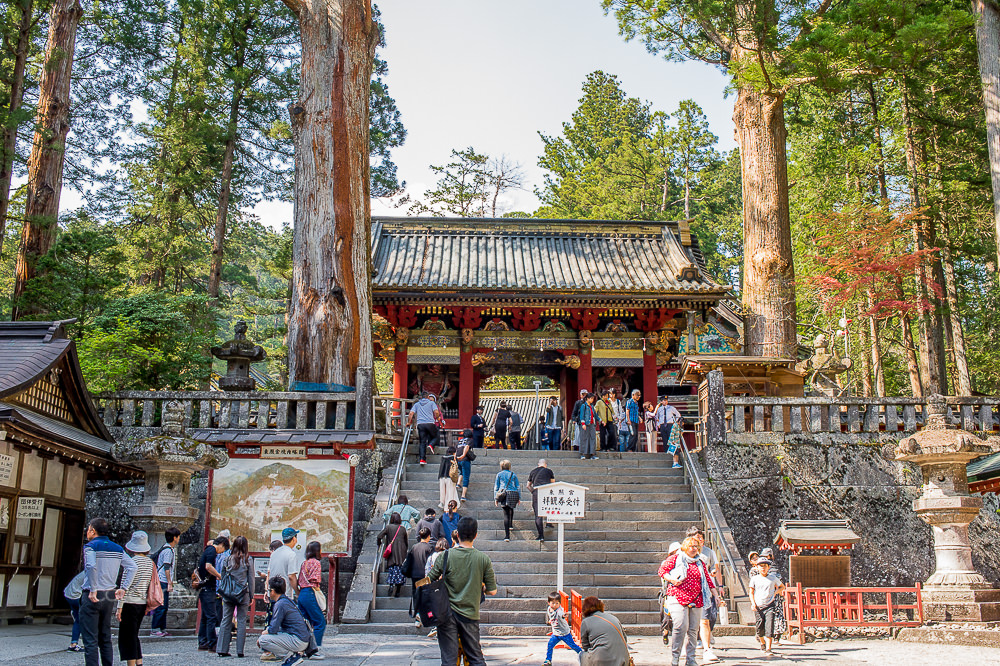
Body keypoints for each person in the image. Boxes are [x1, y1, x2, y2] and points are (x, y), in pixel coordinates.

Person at [427, 517, 498, 666]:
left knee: (449, 660)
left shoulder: (446, 556)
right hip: (470, 614)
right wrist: (480, 585)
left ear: (457, 534)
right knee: (476, 658)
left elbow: (429, 580)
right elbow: (492, 591)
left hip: (446, 615)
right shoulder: (483, 559)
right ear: (476, 535)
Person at [81, 517, 137, 666]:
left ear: (93, 530)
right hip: (109, 593)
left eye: (88, 529)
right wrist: (123, 588)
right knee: (105, 636)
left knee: (90, 638)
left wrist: (93, 589)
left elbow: (91, 566)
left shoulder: (90, 546)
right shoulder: (117, 548)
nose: (87, 532)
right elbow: (132, 567)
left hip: (93, 593)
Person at [659, 537, 718, 666]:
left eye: (696, 546)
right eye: (691, 546)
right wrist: (673, 580)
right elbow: (662, 571)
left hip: (697, 598)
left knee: (693, 630)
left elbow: (707, 579)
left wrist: (716, 594)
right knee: (681, 627)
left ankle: (691, 659)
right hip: (678, 596)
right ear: (685, 547)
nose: (694, 549)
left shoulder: (700, 562)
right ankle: (675, 657)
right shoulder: (675, 558)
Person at [116, 531, 155, 666]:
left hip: (129, 601)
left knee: (127, 635)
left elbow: (125, 585)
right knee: (134, 633)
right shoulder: (150, 563)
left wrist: (119, 607)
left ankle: (131, 663)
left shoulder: (131, 562)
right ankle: (139, 661)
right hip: (142, 601)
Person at [258, 577, 312, 666]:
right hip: (301, 637)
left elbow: (274, 628)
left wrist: (265, 632)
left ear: (272, 591)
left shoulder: (280, 604)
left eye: (268, 590)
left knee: (263, 640)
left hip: (297, 639)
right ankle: (293, 655)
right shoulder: (287, 601)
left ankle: (291, 656)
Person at [687, 526, 721, 660]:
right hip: (689, 591)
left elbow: (711, 571)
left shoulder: (708, 553)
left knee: (706, 620)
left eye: (701, 538)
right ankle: (689, 646)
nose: (699, 541)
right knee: (688, 622)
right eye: (696, 538)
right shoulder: (683, 554)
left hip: (705, 590)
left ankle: (707, 649)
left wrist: (717, 590)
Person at [218, 535, 254, 658]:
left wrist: (222, 591)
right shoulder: (248, 560)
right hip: (243, 593)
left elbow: (223, 577)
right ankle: (240, 650)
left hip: (228, 593)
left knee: (226, 620)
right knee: (242, 620)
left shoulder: (227, 559)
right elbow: (251, 579)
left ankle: (222, 648)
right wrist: (252, 595)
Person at [579, 596, 630, 666]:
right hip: (623, 660)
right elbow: (625, 639)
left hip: (601, 660)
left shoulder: (585, 622)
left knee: (581, 655)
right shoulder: (613, 618)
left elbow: (585, 646)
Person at [296, 541, 326, 655]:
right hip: (310, 592)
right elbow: (315, 579)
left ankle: (302, 648)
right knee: (319, 622)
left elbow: (299, 578)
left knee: (305, 623)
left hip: (302, 593)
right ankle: (315, 648)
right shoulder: (316, 563)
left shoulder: (304, 563)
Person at [197, 535, 227, 650]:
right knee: (212, 617)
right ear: (221, 545)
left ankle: (203, 641)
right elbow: (208, 566)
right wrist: (219, 575)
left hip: (205, 588)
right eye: (223, 549)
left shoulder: (208, 550)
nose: (221, 552)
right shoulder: (212, 551)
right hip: (208, 588)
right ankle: (212, 643)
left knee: (205, 617)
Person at [750, 557, 785, 654]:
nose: (763, 568)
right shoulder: (754, 579)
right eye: (761, 566)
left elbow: (782, 586)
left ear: (768, 567)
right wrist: (753, 603)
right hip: (758, 605)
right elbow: (751, 592)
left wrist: (775, 592)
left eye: (765, 566)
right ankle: (762, 643)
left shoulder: (773, 578)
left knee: (769, 626)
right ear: (757, 567)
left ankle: (769, 648)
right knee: (759, 628)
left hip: (770, 605)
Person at [150, 526, 181, 637]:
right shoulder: (168, 551)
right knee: (161, 606)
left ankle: (161, 628)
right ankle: (155, 628)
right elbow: (166, 567)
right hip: (163, 580)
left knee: (164, 606)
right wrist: (169, 582)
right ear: (175, 537)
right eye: (178, 536)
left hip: (161, 580)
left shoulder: (165, 548)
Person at [542, 591, 582, 666]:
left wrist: (564, 615)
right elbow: (551, 616)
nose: (555, 605)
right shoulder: (549, 609)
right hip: (556, 634)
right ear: (548, 603)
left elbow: (562, 615)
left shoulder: (560, 611)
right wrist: (551, 620)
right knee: (550, 645)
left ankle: (583, 654)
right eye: (553, 603)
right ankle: (548, 660)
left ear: (560, 603)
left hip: (565, 634)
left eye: (557, 603)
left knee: (573, 646)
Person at [406, 528, 435, 623]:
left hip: (415, 574)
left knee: (416, 595)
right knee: (427, 596)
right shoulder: (430, 547)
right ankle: (427, 616)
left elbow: (409, 560)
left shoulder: (414, 547)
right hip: (426, 575)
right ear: (428, 536)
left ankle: (417, 615)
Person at [378, 513, 410, 598]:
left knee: (392, 569)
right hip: (401, 552)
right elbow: (406, 542)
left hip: (392, 552)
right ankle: (398, 590)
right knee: (400, 570)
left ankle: (391, 585)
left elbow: (379, 535)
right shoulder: (402, 529)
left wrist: (379, 543)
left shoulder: (388, 527)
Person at [658, 541, 682, 645]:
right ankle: (665, 632)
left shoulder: (683, 562)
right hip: (668, 593)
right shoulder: (666, 563)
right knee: (666, 617)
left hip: (680, 592)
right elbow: (663, 574)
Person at [409, 392, 441, 465]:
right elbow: (436, 412)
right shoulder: (432, 403)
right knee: (436, 435)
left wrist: (409, 422)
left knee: (422, 442)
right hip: (430, 423)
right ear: (428, 397)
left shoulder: (417, 404)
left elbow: (411, 413)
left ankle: (422, 459)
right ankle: (431, 445)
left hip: (420, 424)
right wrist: (437, 417)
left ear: (421, 397)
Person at [527, 458, 555, 542]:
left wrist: (533, 491)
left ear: (538, 464)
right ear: (545, 465)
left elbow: (528, 485)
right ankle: (549, 523)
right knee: (550, 507)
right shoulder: (549, 471)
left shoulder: (533, 471)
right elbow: (553, 483)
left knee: (538, 515)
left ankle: (541, 535)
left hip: (536, 492)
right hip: (547, 492)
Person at [493, 459, 520, 542]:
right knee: (511, 508)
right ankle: (511, 524)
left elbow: (496, 487)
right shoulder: (513, 474)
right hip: (513, 493)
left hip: (503, 494)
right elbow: (518, 486)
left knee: (505, 514)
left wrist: (496, 498)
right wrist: (519, 497)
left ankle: (507, 536)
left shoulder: (499, 474)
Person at [269, 528, 299, 599]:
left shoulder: (275, 553)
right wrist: (297, 591)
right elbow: (291, 576)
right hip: (285, 595)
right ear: (294, 539)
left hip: (273, 594)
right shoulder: (291, 554)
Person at [656, 395, 684, 468]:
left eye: (666, 400)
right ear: (661, 401)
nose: (665, 401)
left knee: (671, 440)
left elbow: (678, 414)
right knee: (664, 440)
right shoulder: (659, 409)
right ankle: (667, 453)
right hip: (662, 425)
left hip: (670, 424)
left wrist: (676, 422)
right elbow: (656, 417)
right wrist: (658, 424)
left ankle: (673, 456)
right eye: (663, 400)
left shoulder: (671, 408)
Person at [64, 570, 85, 652]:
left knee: (78, 620)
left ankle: (73, 644)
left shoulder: (87, 569)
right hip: (77, 596)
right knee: (86, 620)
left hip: (69, 594)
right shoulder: (93, 572)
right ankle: (88, 644)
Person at [577, 392, 600, 460]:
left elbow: (595, 415)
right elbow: (582, 415)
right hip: (585, 424)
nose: (592, 400)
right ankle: (583, 454)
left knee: (593, 438)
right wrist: (583, 424)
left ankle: (592, 454)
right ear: (587, 398)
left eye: (593, 398)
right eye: (591, 398)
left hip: (592, 424)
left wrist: (600, 420)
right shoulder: (583, 406)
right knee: (584, 439)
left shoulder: (592, 406)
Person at [456, 430, 474, 503]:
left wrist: (455, 458)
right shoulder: (470, 440)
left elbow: (456, 450)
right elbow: (467, 446)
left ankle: (458, 483)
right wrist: (463, 455)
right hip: (465, 459)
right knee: (466, 476)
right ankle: (463, 495)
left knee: (461, 472)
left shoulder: (459, 441)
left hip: (458, 459)